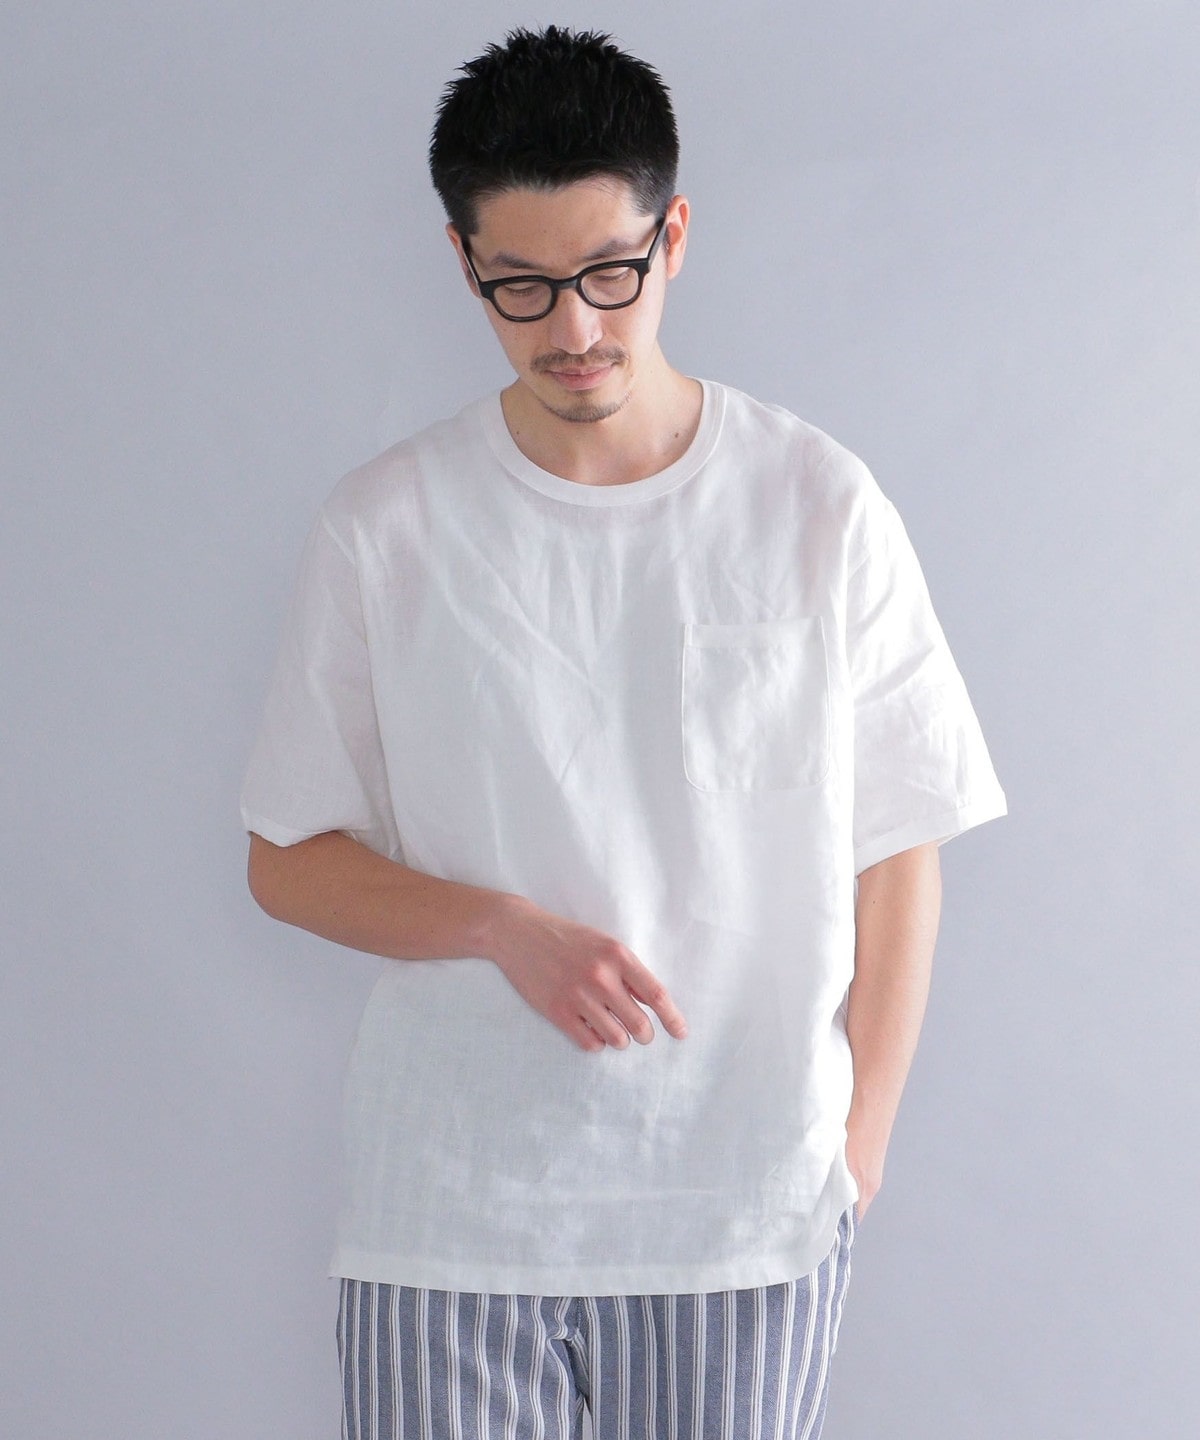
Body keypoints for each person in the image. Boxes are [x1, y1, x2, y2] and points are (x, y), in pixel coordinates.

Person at [239, 24, 1006, 1440]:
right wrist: (501, 927)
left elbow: (901, 845)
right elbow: (285, 860)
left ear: (675, 236)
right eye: (523, 287)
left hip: (742, 1218)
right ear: (463, 262)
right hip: (451, 1222)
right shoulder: (387, 527)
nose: (575, 330)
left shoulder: (815, 505)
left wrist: (859, 1149)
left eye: (610, 273)